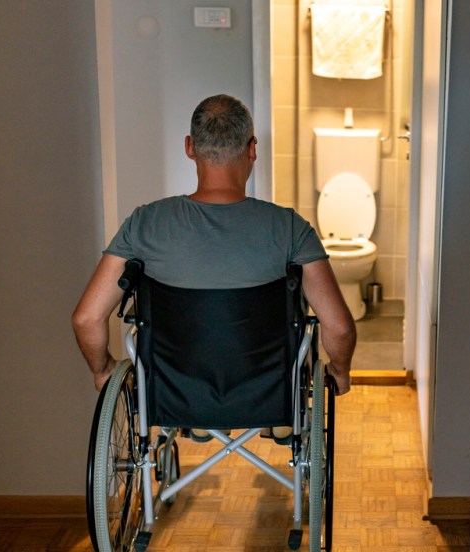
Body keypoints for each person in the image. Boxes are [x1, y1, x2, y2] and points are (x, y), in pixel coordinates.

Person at [72, 94, 355, 397]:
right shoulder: (290, 229)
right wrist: (340, 373)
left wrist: (103, 373)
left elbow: (87, 319)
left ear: (189, 147)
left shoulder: (143, 223)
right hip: (267, 392)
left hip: (173, 392)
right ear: (252, 149)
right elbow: (338, 327)